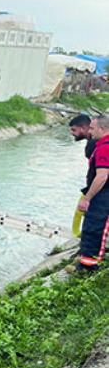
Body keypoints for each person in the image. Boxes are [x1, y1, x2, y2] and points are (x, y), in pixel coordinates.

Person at [76, 115, 109, 273]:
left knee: (94, 228)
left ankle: (88, 267)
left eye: (92, 128)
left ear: (102, 129)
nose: (89, 131)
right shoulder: (101, 144)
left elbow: (102, 176)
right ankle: (86, 262)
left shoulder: (105, 147)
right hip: (103, 193)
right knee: (93, 227)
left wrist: (87, 198)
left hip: (103, 195)